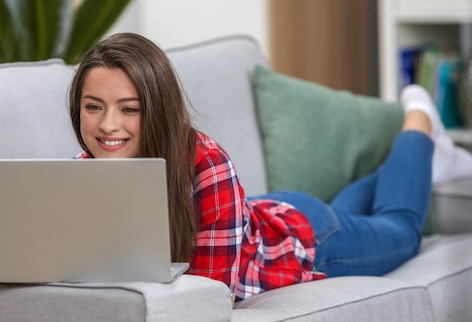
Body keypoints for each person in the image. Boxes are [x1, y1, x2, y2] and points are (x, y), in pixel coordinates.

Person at [68, 32, 472, 301]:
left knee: (400, 228)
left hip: (305, 240)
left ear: (157, 110)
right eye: (93, 107)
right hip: (263, 213)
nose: (107, 125)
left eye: (129, 109)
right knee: (353, 212)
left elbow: (209, 296)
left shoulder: (206, 164)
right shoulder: (79, 175)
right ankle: (416, 163)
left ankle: (420, 121)